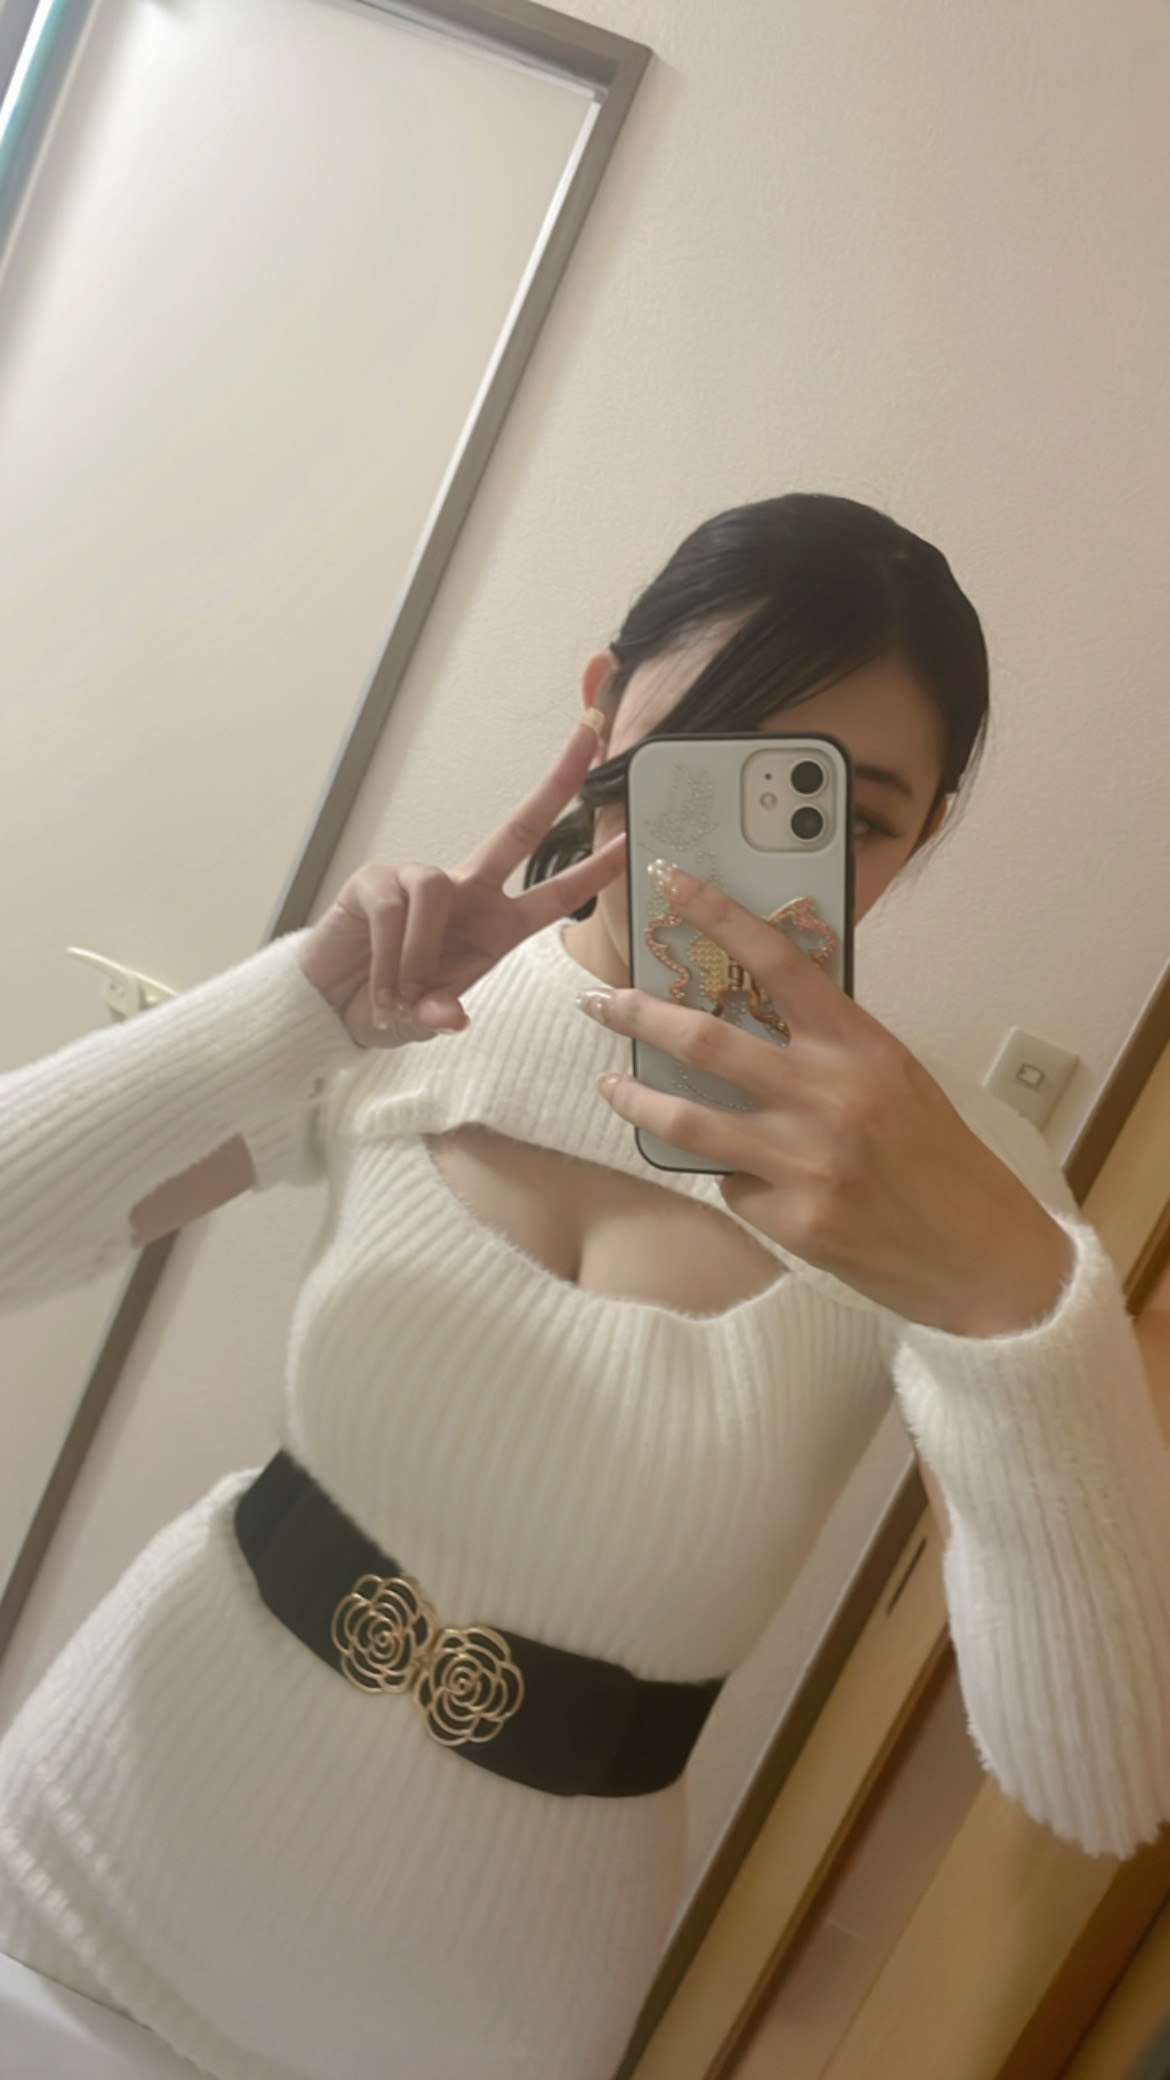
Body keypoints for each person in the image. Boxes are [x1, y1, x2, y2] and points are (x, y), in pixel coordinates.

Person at [0, 493, 1167, 2080]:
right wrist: (298, 1009)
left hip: (477, 2018)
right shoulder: (410, 1001)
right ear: (603, 703)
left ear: (924, 833)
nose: (733, 873)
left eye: (842, 815)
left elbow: (1101, 1783)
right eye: (705, 761)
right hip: (85, 1854)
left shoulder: (949, 1189)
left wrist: (1016, 1306)